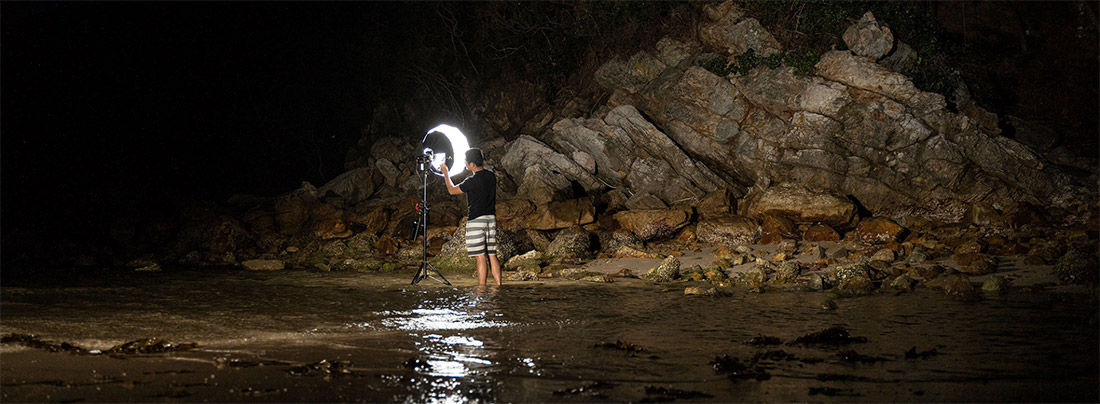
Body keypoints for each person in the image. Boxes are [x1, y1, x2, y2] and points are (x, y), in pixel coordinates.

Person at [440, 148, 501, 286]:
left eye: (467, 162)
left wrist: (445, 173)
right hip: (490, 218)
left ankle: (481, 289)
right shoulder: (491, 176)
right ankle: (498, 286)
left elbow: (451, 190)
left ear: (472, 164)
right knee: (492, 254)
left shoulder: (471, 181)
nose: (465, 163)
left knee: (480, 257)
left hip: (476, 220)